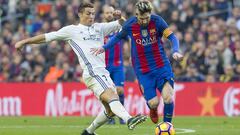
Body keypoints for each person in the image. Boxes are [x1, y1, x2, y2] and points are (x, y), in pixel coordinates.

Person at [15, 2, 147, 135]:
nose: (91, 16)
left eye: (93, 13)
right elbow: (47, 37)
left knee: (110, 110)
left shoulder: (100, 28)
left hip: (103, 72)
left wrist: (120, 17)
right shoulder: (71, 30)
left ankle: (88, 132)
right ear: (80, 14)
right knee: (113, 96)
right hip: (92, 72)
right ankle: (129, 119)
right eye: (88, 13)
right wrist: (24, 41)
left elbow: (122, 25)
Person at [91, 0, 183, 124]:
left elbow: (172, 36)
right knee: (153, 102)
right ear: (136, 14)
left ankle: (167, 125)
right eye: (142, 18)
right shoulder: (130, 24)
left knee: (168, 97)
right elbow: (117, 38)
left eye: (147, 18)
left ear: (150, 14)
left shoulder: (157, 21)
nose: (145, 21)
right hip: (143, 70)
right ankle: (153, 109)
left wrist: (176, 51)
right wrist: (103, 48)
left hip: (161, 65)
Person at [102, 5, 126, 125]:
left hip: (117, 64)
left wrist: (121, 17)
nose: (109, 15)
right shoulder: (100, 29)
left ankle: (122, 116)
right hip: (104, 66)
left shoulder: (119, 27)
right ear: (103, 15)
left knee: (120, 90)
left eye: (111, 13)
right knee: (107, 93)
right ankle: (109, 117)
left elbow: (128, 26)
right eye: (107, 13)